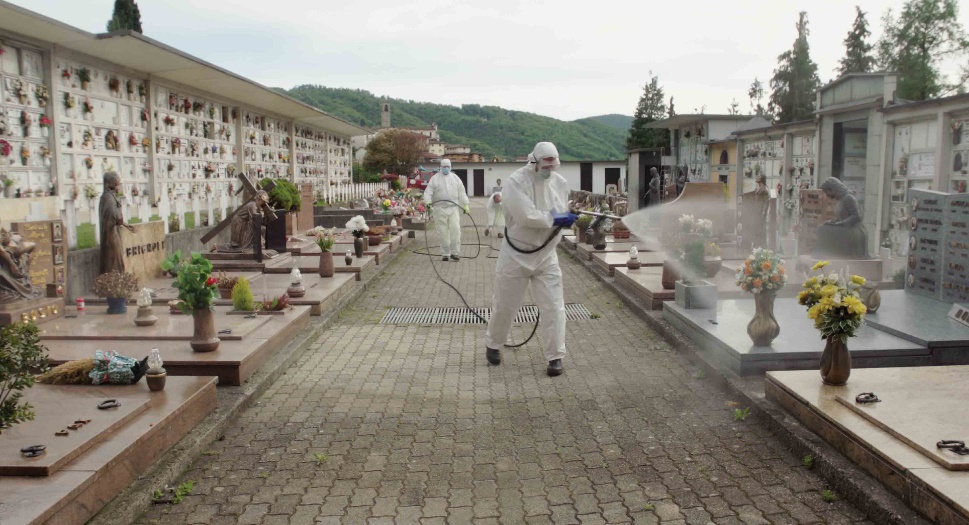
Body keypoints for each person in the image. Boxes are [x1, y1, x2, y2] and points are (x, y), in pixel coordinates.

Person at [485, 142, 577, 377]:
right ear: (534, 162)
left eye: (553, 166)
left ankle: (555, 356)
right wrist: (554, 219)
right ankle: (494, 344)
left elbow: (560, 209)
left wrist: (565, 217)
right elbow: (525, 215)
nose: (549, 171)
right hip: (516, 254)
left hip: (546, 255)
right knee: (505, 305)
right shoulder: (517, 181)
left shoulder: (559, 182)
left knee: (554, 306)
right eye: (545, 166)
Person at [424, 159, 470, 261]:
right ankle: (445, 253)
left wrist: (465, 204)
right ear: (440, 167)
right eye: (444, 166)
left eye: (447, 166)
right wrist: (427, 201)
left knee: (456, 230)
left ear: (450, 167)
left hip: (453, 208)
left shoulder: (455, 178)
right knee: (443, 232)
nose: (446, 168)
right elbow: (428, 192)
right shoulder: (435, 179)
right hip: (439, 209)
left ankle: (455, 253)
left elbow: (462, 191)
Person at [814, 177, 868, 259]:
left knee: (823, 230)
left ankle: (825, 254)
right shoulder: (841, 200)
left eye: (827, 192)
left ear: (833, 189)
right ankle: (822, 253)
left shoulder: (849, 198)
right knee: (822, 228)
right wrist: (832, 222)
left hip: (854, 230)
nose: (827, 195)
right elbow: (841, 218)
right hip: (845, 227)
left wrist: (840, 224)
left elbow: (856, 217)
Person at [99, 171, 135, 275]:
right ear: (112, 184)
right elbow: (117, 217)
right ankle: (115, 281)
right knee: (115, 260)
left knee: (115, 260)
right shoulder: (108, 198)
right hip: (111, 235)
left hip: (111, 233)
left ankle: (115, 281)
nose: (119, 186)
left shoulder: (108, 197)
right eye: (117, 183)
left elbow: (115, 218)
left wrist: (126, 225)